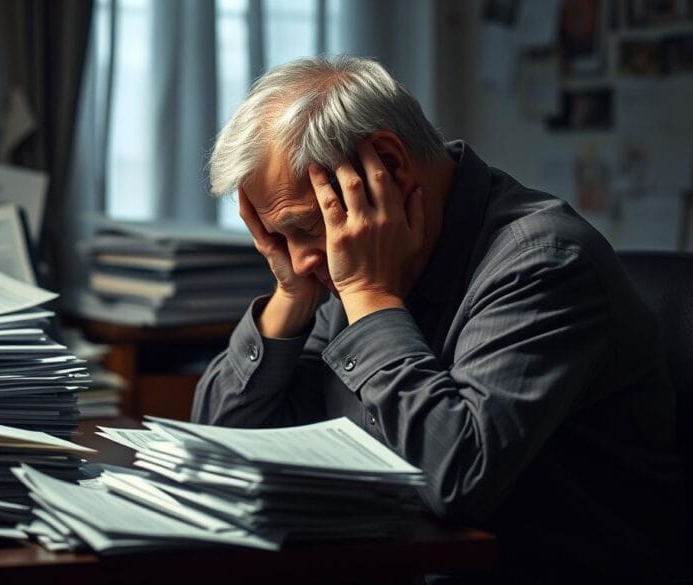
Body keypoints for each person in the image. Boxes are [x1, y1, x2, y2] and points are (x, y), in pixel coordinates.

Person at [192, 55, 685, 582]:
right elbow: (221, 446)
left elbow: (455, 481)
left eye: (305, 229)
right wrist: (289, 297)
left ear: (387, 168)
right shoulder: (338, 262)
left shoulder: (545, 261)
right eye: (279, 239)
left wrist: (368, 294)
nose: (302, 260)